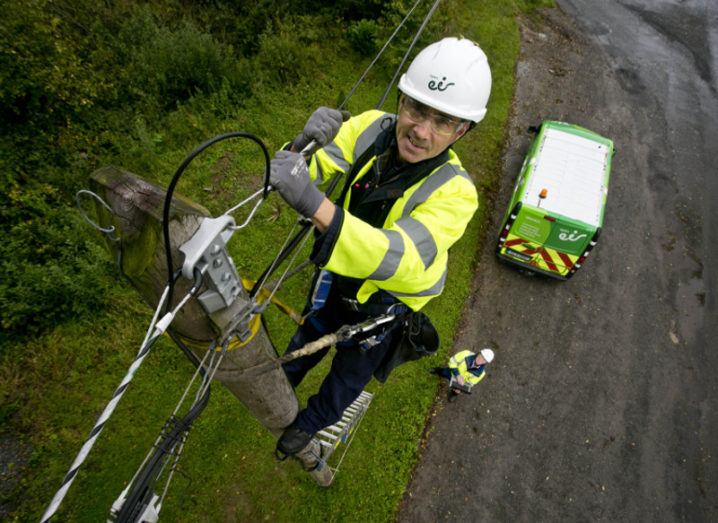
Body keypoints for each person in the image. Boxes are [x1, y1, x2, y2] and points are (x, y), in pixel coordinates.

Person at [269, 37, 492, 458]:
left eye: (443, 121)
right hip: (338, 277)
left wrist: (318, 206)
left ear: (462, 131)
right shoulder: (373, 127)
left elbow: (399, 255)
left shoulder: (456, 193)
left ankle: (311, 423)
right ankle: (279, 387)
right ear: (402, 99)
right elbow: (303, 171)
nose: (421, 132)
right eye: (416, 109)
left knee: (348, 377)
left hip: (383, 306)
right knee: (312, 330)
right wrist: (300, 147)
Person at [429, 348, 495, 402]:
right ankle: (436, 370)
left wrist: (461, 387)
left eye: (484, 360)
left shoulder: (481, 373)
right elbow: (452, 361)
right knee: (443, 372)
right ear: (479, 353)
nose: (481, 359)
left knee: (456, 391)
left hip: (459, 383)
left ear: (486, 362)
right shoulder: (466, 354)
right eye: (481, 356)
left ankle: (453, 394)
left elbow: (471, 383)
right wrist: (457, 375)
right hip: (451, 372)